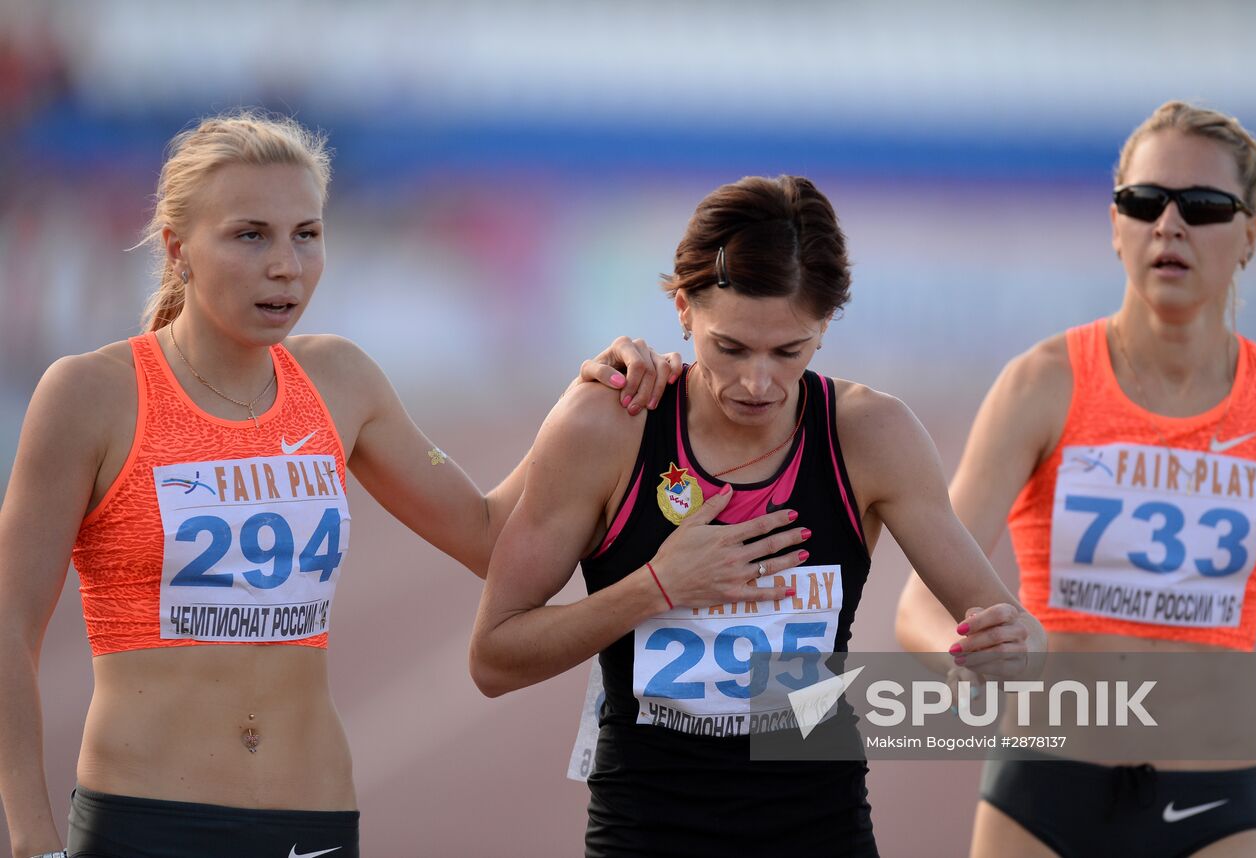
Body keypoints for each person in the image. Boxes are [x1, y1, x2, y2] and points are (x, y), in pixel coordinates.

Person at [0, 111, 681, 858]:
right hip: (150, 821)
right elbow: (9, 628)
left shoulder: (340, 381)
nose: (287, 265)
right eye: (250, 234)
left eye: (308, 234)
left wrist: (584, 398)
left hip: (313, 821)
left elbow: (488, 537)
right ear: (177, 250)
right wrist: (33, 840)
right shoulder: (93, 395)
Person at [469, 174, 1046, 856]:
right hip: (648, 834)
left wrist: (1007, 652)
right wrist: (656, 588)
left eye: (788, 352)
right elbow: (494, 658)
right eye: (731, 348)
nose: (758, 383)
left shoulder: (871, 436)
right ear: (683, 309)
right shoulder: (610, 427)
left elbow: (1013, 640)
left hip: (820, 830)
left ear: (826, 324)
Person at [894, 101, 1256, 857]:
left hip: (1214, 802)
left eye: (1205, 206)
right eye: (1143, 201)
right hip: (1043, 794)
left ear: (1251, 233)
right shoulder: (1041, 385)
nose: (1170, 224)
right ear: (1114, 224)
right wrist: (971, 666)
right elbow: (922, 604)